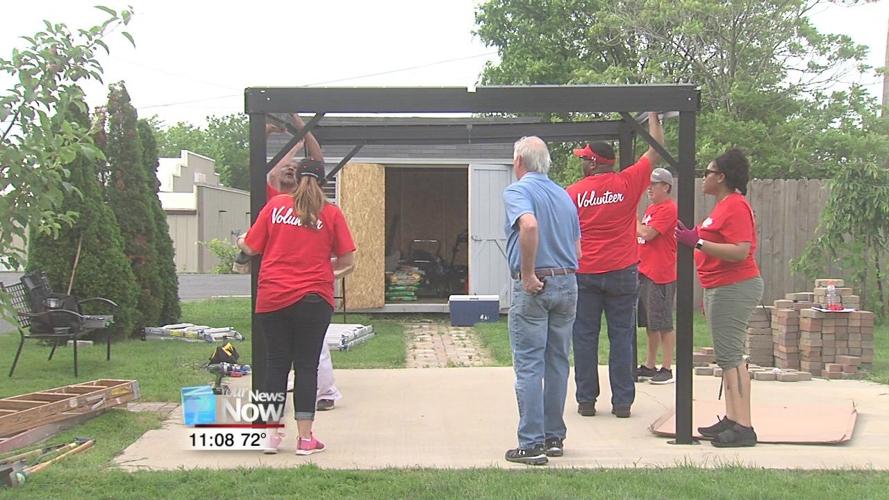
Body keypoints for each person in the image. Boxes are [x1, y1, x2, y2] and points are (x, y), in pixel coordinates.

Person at [238, 158, 356, 455]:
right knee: (306, 366)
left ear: (296, 177)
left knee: (275, 365)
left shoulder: (276, 206)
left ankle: (269, 437)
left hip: (273, 295)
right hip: (314, 299)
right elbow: (348, 262)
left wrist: (241, 242)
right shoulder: (331, 213)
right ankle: (305, 439)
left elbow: (251, 247)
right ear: (323, 181)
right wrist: (325, 273)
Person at [566, 112, 664, 419]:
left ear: (594, 163)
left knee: (584, 337)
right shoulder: (628, 182)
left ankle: (586, 401)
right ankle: (622, 403)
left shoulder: (573, 193)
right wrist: (654, 117)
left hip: (585, 273)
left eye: (584, 159)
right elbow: (656, 149)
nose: (582, 162)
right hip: (622, 271)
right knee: (622, 337)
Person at [675, 148, 763, 447]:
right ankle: (732, 418)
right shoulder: (722, 207)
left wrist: (697, 242)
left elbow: (740, 250)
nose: (704, 177)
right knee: (727, 356)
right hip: (719, 287)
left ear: (722, 177)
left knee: (731, 358)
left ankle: (744, 427)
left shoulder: (735, 206)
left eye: (708, 172)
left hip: (735, 285)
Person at [502, 136, 580, 465]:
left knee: (529, 364)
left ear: (519, 161)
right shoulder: (564, 196)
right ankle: (554, 437)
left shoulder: (517, 191)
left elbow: (529, 225)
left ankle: (531, 443)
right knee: (558, 362)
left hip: (537, 285)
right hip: (568, 281)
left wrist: (528, 273)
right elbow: (577, 249)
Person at [266, 114, 341, 411]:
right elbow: (271, 170)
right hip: (281, 285)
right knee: (283, 358)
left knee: (311, 354)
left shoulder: (316, 204)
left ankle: (323, 393)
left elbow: (316, 162)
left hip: (305, 286)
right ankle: (292, 420)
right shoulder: (274, 197)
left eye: (295, 168)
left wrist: (302, 129)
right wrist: (275, 140)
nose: (289, 169)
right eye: (286, 167)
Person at [636, 168, 678, 385]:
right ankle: (650, 365)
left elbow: (647, 233)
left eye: (654, 184)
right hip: (645, 270)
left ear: (666, 187)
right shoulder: (652, 209)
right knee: (650, 322)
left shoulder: (669, 209)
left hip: (661, 273)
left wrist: (632, 220)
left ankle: (667, 368)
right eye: (649, 184)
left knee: (663, 323)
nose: (649, 188)